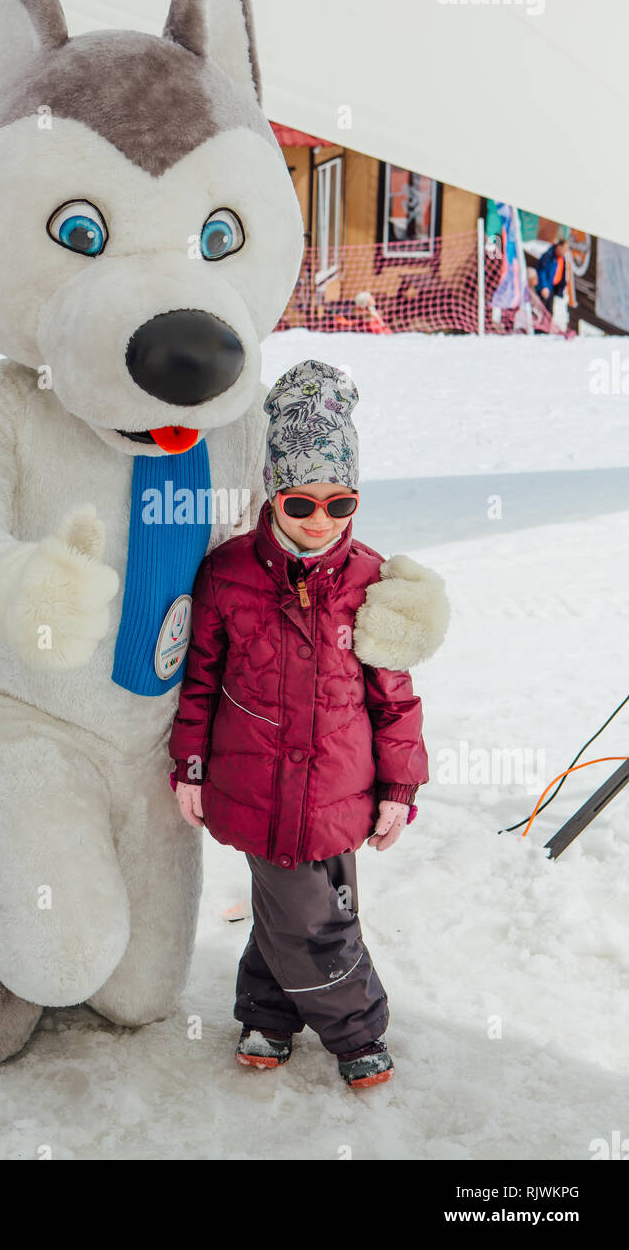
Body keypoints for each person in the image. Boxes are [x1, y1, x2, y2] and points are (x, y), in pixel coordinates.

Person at [168, 359, 430, 1090]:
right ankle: (358, 1030)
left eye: (339, 504)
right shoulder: (227, 575)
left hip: (342, 786)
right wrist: (188, 763)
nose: (319, 521)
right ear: (272, 494)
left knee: (301, 910)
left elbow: (395, 699)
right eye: (301, 502)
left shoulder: (373, 583)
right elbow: (201, 681)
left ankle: (267, 1012)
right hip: (254, 782)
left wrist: (400, 786)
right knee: (311, 917)